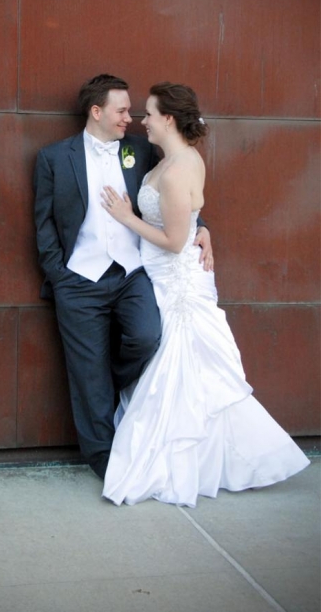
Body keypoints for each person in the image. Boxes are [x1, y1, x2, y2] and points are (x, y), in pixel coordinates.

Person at [99, 83, 308, 506]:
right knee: (183, 374)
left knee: (186, 372)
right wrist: (202, 228)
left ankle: (204, 460)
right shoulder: (176, 159)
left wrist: (126, 216)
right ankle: (207, 458)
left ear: (168, 119)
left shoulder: (178, 169)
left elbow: (175, 240)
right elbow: (189, 220)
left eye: (150, 114)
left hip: (176, 279)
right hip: (164, 277)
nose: (142, 121)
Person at [33, 74, 213, 479]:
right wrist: (59, 276)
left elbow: (174, 198)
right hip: (79, 280)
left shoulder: (140, 150)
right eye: (121, 111)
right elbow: (43, 225)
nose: (129, 119)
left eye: (133, 111)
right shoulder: (53, 158)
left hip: (132, 273)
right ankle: (105, 461)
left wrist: (202, 228)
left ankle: (111, 384)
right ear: (96, 111)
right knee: (86, 373)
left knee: (147, 337)